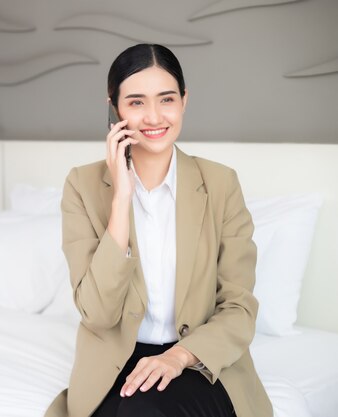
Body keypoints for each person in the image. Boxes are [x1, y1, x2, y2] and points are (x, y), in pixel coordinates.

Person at [44, 44, 272, 417]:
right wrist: (121, 199)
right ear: (113, 108)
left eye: (166, 99)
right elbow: (98, 315)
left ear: (184, 100)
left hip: (198, 360)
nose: (153, 116)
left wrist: (178, 356)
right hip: (114, 365)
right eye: (135, 102)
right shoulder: (82, 185)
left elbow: (239, 307)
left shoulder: (221, 184)